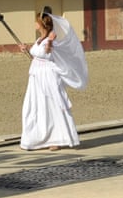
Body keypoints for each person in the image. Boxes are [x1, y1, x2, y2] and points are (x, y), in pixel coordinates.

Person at [19, 10, 88, 151]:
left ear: (41, 24)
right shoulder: (39, 39)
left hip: (47, 76)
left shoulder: (50, 39)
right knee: (35, 106)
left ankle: (56, 139)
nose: (34, 23)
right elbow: (37, 57)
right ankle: (35, 139)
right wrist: (26, 49)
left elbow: (48, 52)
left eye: (36, 21)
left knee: (51, 105)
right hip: (36, 76)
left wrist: (50, 41)